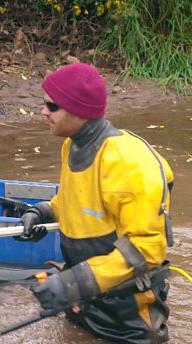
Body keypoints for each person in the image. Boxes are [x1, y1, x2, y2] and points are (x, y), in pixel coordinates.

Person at [16, 63, 174, 342]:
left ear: (80, 111)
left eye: (52, 106)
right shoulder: (72, 144)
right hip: (85, 294)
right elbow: (75, 201)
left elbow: (147, 248)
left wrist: (74, 283)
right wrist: (41, 212)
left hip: (127, 310)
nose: (43, 111)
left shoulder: (125, 162)